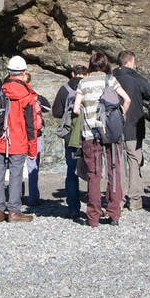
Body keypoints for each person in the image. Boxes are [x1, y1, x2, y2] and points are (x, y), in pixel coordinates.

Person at [71, 52, 132, 227]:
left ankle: (93, 218)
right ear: (105, 64)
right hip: (111, 133)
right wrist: (120, 116)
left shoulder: (83, 82)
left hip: (90, 134)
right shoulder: (110, 80)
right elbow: (127, 100)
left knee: (94, 175)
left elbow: (76, 109)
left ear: (91, 65)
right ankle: (114, 214)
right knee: (114, 172)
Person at [0, 56, 42, 223]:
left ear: (9, 71)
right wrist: (32, 149)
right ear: (23, 72)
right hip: (18, 140)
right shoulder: (27, 94)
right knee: (16, 174)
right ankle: (14, 211)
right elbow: (31, 124)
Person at [113, 50, 150, 213]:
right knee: (134, 160)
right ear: (130, 62)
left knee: (117, 163)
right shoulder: (136, 79)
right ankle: (135, 200)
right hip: (133, 125)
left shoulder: (110, 78)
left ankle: (118, 199)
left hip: (113, 127)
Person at [52, 61, 89, 219]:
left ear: (72, 74)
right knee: (93, 171)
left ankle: (73, 207)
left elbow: (56, 112)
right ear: (86, 75)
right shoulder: (88, 88)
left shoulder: (64, 89)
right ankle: (94, 206)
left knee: (71, 172)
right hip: (88, 133)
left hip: (70, 135)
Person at [20, 70, 48, 206]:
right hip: (36, 134)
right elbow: (48, 108)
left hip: (19, 134)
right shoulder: (35, 94)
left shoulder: (12, 93)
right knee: (33, 165)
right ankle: (33, 197)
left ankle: (17, 196)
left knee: (17, 165)